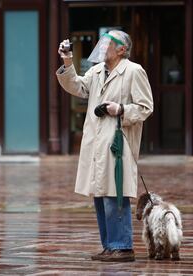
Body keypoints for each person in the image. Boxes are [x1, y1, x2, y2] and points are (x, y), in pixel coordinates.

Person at [56, 30, 154, 262]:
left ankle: (122, 246)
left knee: (115, 193)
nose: (102, 46)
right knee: (100, 193)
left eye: (108, 43)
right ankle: (110, 246)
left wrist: (120, 109)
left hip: (118, 141)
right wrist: (68, 61)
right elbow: (78, 88)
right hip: (96, 141)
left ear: (121, 49)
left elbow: (145, 107)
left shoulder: (133, 71)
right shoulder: (97, 70)